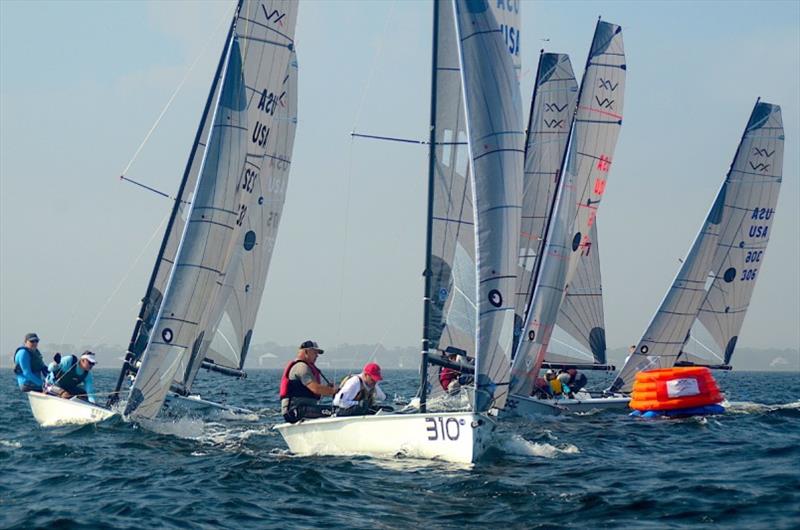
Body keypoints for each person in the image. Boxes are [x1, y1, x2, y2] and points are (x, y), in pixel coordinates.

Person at [279, 340, 337, 423]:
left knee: (333, 410)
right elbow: (315, 389)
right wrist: (334, 391)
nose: (317, 356)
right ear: (306, 352)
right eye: (315, 352)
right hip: (294, 412)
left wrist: (328, 389)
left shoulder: (307, 367)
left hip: (305, 409)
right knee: (336, 411)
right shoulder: (301, 367)